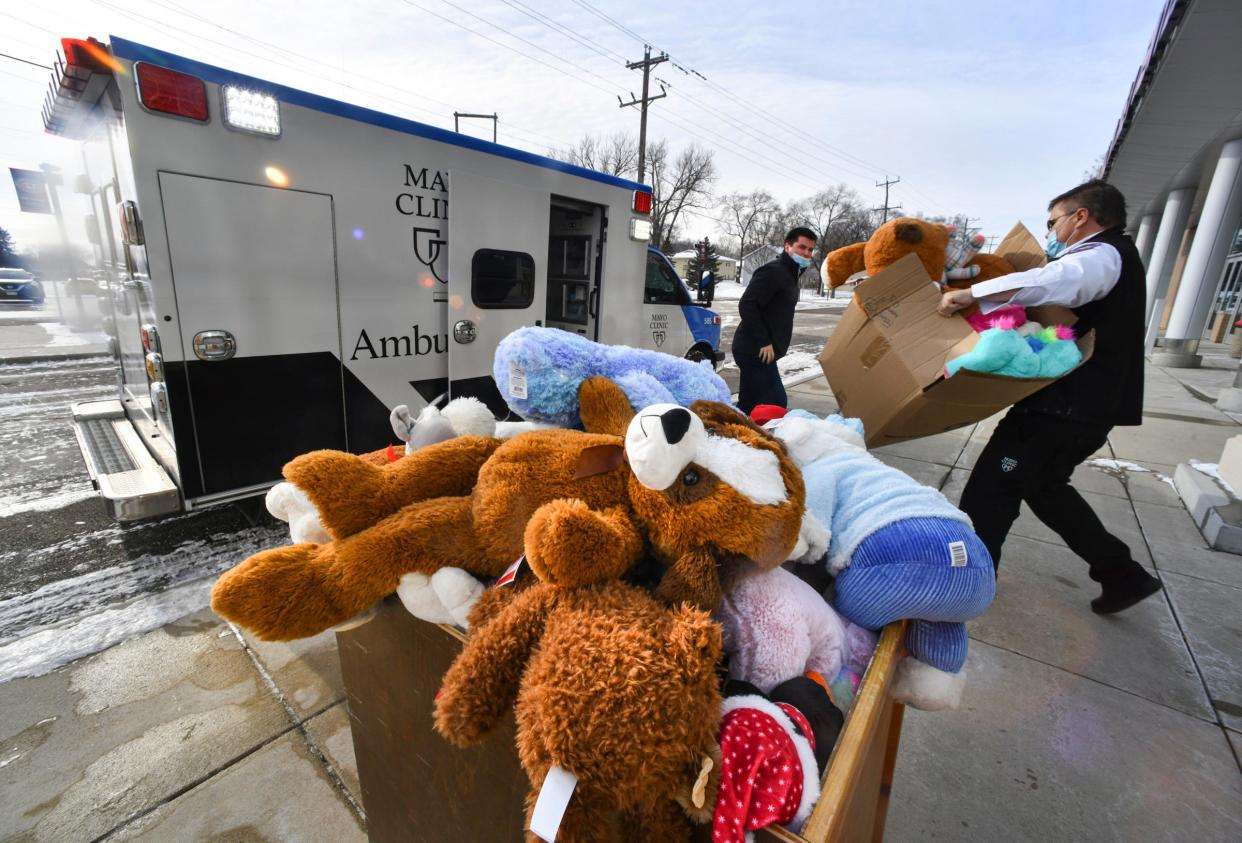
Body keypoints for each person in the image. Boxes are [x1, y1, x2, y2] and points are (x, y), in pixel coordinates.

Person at [938, 179, 1161, 614]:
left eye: (1054, 220)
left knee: (992, 488)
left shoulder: (1102, 255)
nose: (1051, 230)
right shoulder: (1115, 256)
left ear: (1082, 217)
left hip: (1064, 409)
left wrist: (971, 291)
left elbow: (1052, 283)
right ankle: (1121, 574)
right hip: (1086, 408)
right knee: (1045, 488)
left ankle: (969, 585)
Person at [732, 227, 817, 414]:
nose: (806, 253)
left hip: (762, 352)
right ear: (787, 246)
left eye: (810, 250)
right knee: (775, 404)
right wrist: (764, 341)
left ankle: (732, 436)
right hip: (754, 350)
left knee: (749, 404)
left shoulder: (791, 274)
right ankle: (762, 440)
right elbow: (747, 305)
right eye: (801, 247)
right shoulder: (773, 271)